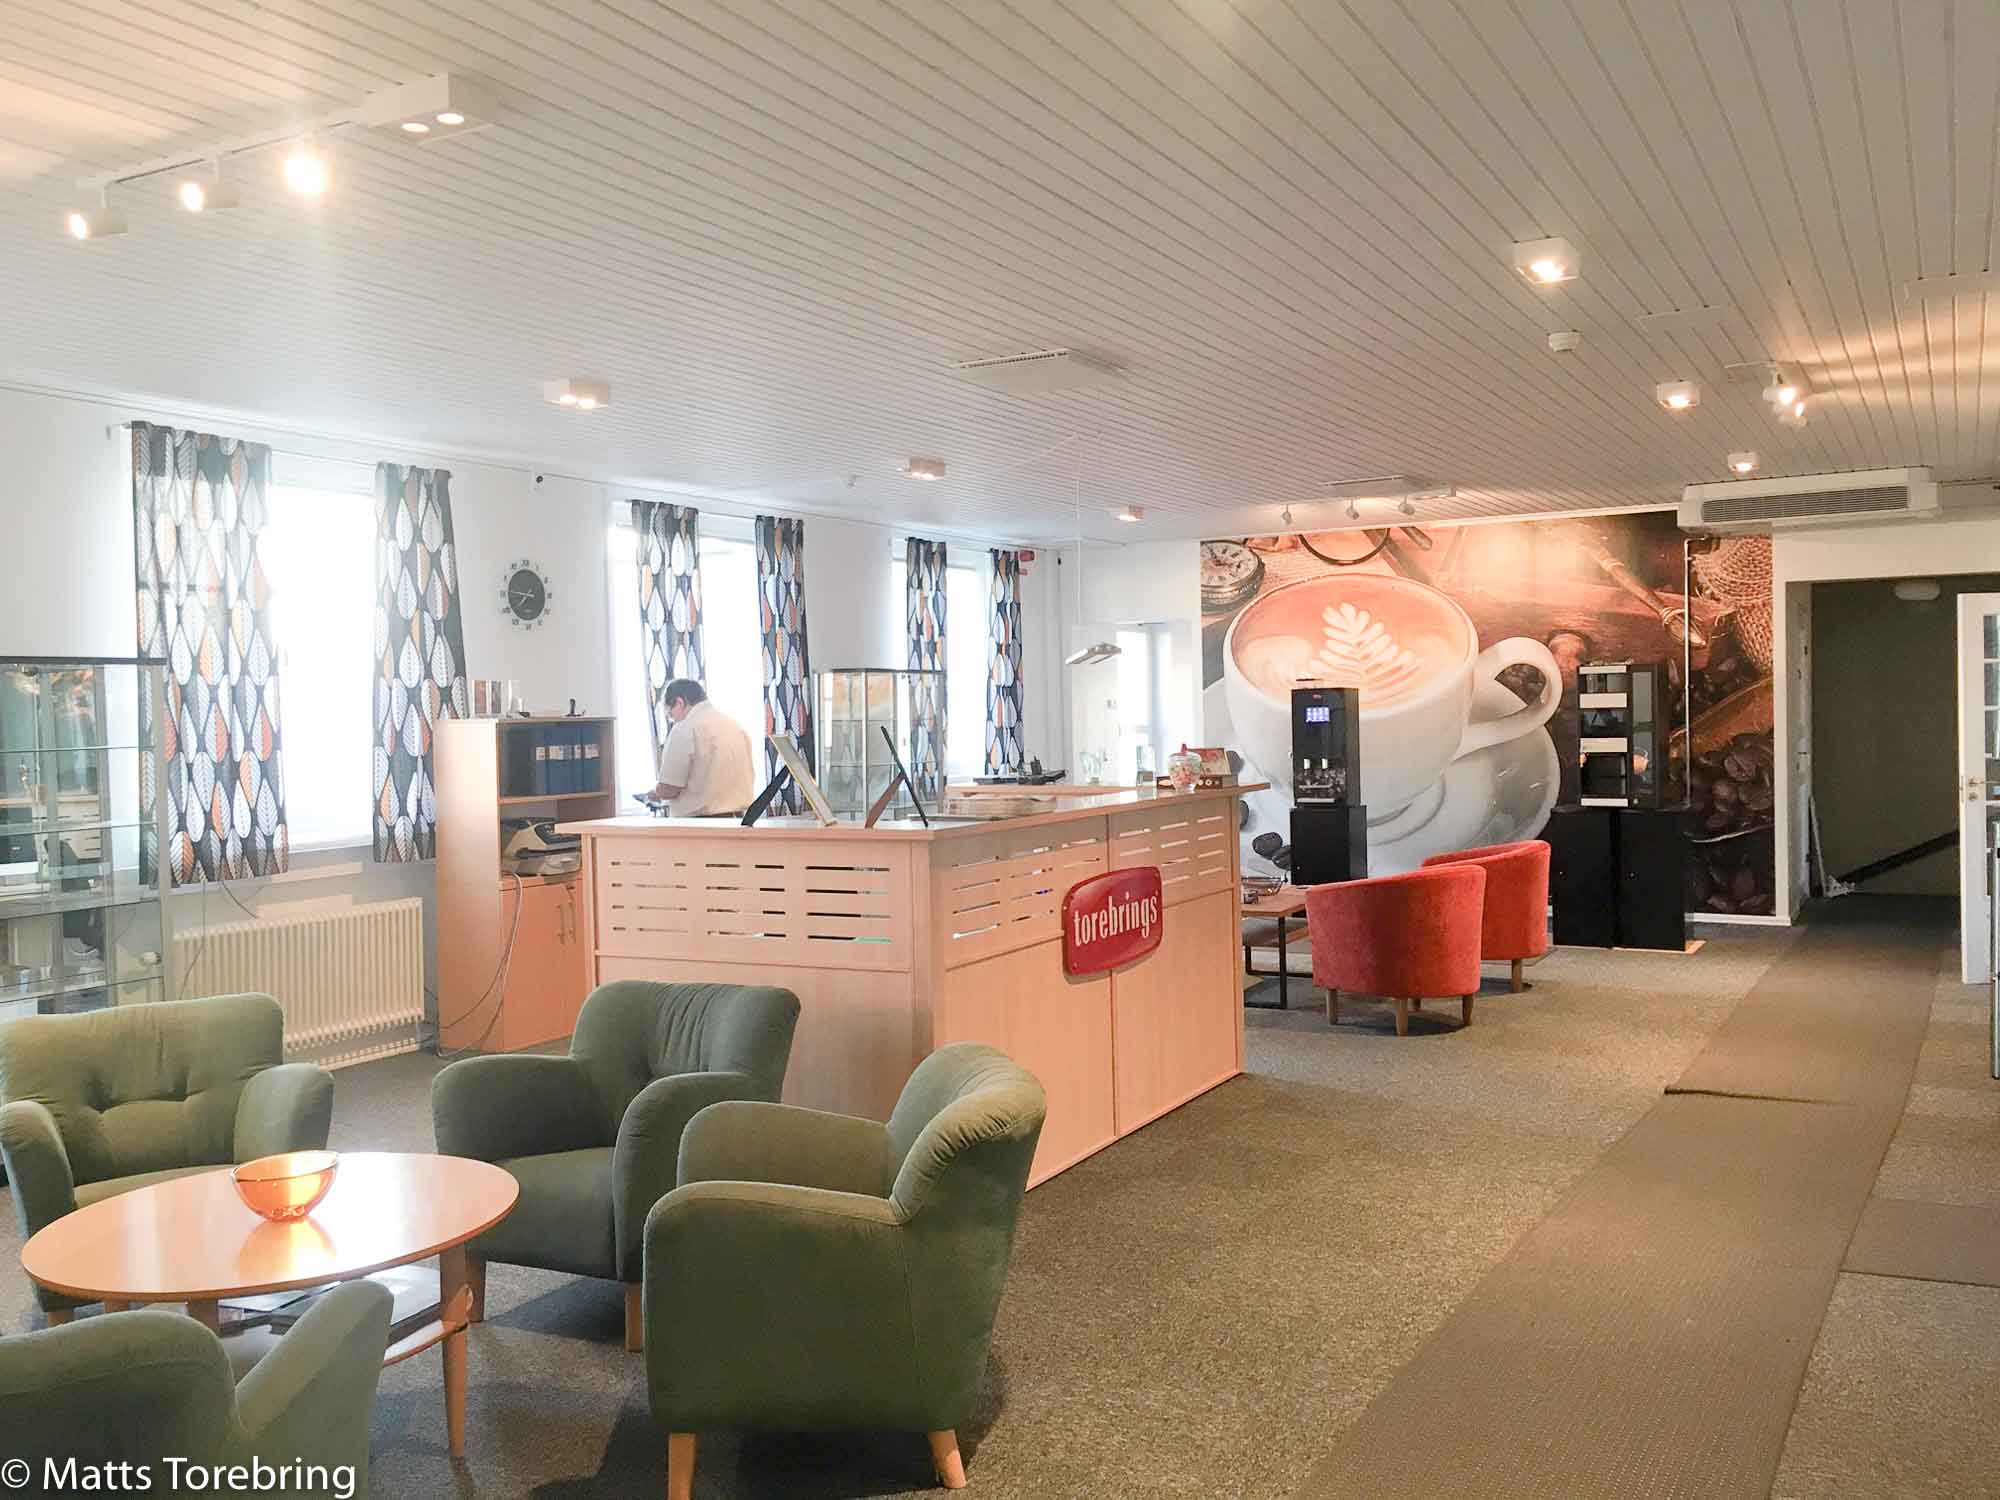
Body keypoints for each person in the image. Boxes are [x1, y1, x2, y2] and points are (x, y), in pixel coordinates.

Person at [653, 678, 757, 817]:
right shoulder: (735, 727)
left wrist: (656, 792)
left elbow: (670, 788)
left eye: (670, 715)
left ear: (679, 703)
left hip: (699, 823)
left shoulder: (685, 728)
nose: (673, 721)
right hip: (738, 819)